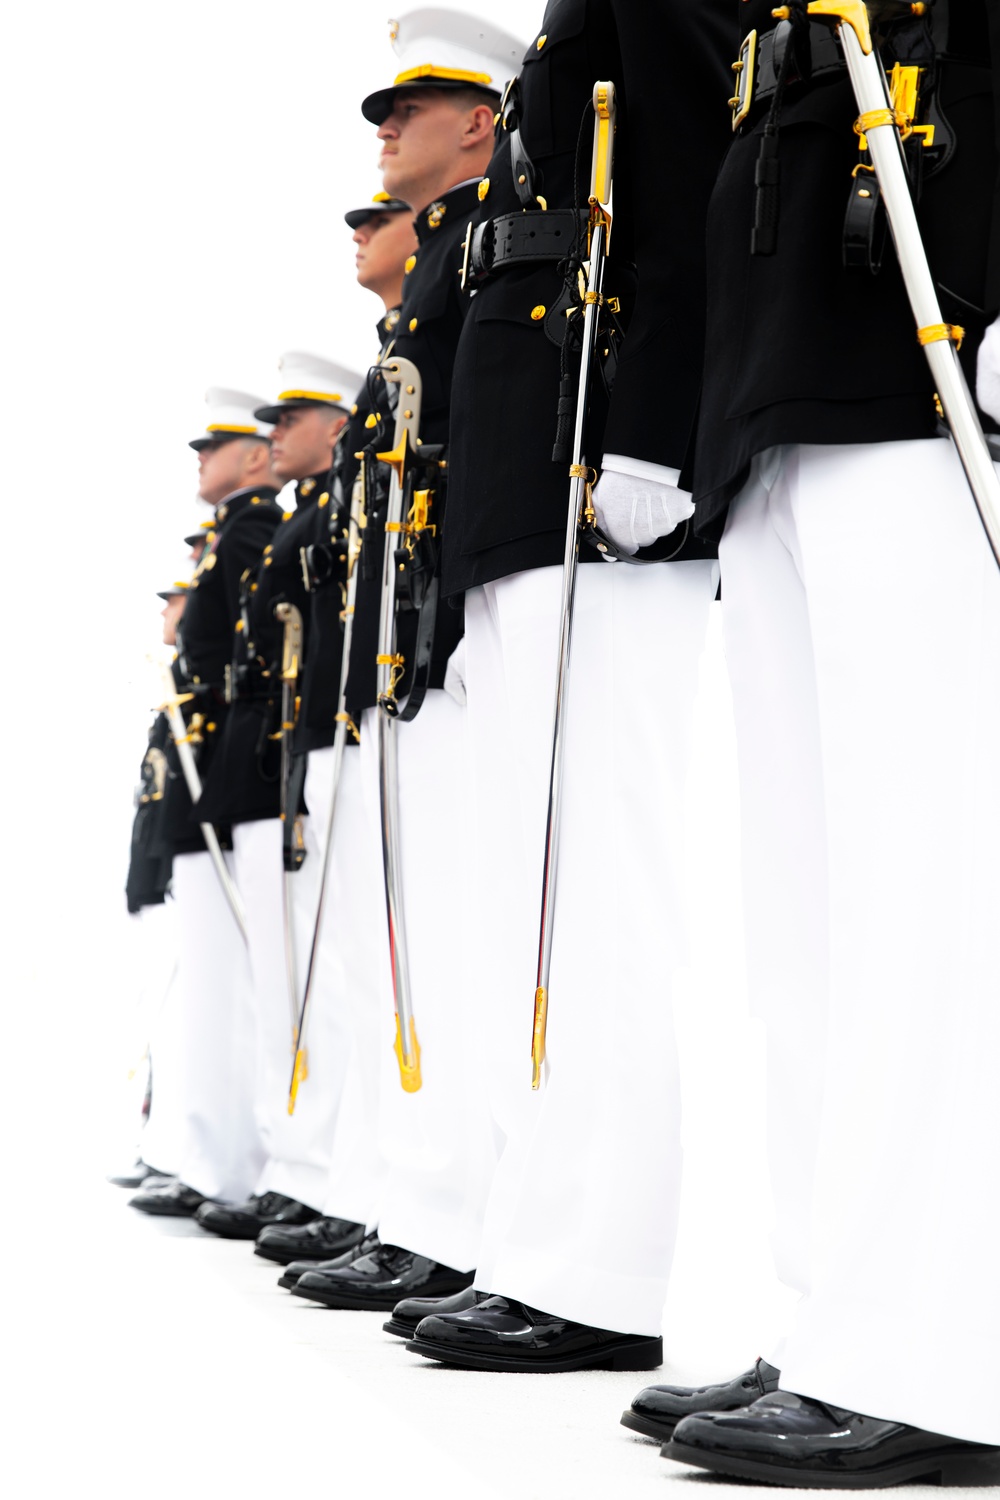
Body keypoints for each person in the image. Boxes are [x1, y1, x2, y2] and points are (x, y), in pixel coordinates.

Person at [653, 1, 1000, 1485]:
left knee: (930, 901)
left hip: (928, 369)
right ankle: (841, 1314)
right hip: (787, 380)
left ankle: (951, 1356)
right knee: (811, 919)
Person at [394, 0, 733, 1372]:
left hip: (602, 504)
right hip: (530, 526)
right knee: (539, 910)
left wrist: (652, 434)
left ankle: (605, 1270)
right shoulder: (565, 34)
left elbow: (681, 198)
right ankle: (548, 1244)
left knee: (606, 899)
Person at [289, 11, 525, 1316]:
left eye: (406, 109)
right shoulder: (437, 269)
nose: (383, 132)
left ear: (479, 122)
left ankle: (459, 1213)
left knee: (468, 927)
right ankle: (421, 1205)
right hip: (413, 644)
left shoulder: (481, 245)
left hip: (456, 623)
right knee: (415, 941)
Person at [260, 194, 421, 1273]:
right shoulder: (396, 352)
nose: (276, 441)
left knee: (403, 954)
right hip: (344, 718)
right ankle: (359, 1186)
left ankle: (386, 1194)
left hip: (398, 689)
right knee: (360, 965)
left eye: (285, 424)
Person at [194, 353, 367, 1243]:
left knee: (324, 975)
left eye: (286, 424)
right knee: (290, 978)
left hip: (314, 746)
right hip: (286, 754)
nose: (271, 440)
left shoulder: (322, 515)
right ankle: (294, 1165)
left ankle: (321, 1173)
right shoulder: (297, 518)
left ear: (334, 427)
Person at [130, 389, 282, 1216]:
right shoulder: (238, 533)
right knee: (210, 998)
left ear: (253, 459)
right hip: (210, 785)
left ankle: (236, 1165)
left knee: (238, 995)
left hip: (237, 776)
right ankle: (208, 1156)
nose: (200, 462)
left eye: (213, 448)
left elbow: (242, 650)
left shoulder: (253, 530)